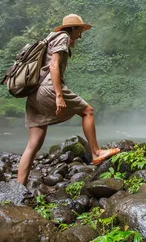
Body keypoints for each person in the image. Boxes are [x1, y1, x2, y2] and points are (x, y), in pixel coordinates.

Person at [17, 14, 120, 185]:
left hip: (34, 92)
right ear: (72, 28)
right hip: (49, 88)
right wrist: (59, 95)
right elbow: (54, 65)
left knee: (33, 144)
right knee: (88, 111)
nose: (81, 34)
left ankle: (18, 187)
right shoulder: (63, 37)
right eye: (79, 30)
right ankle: (96, 153)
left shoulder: (51, 38)